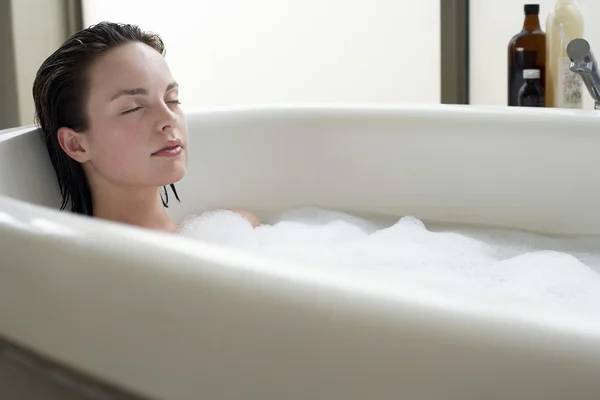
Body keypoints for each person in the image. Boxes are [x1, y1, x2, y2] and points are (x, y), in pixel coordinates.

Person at [33, 21, 260, 232]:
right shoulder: (84, 270)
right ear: (76, 145)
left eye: (172, 99)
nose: (169, 118)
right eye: (133, 108)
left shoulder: (239, 229)